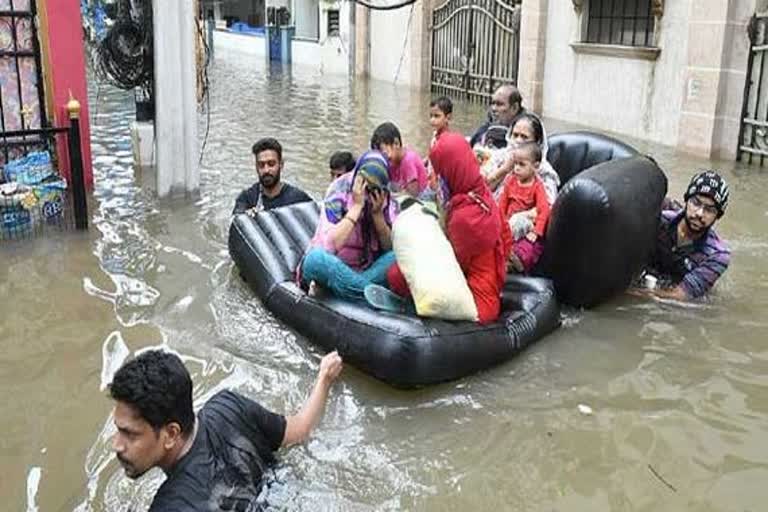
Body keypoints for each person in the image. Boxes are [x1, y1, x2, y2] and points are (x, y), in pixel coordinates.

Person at [109, 349, 343, 511]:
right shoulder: (229, 407)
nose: (116, 445)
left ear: (171, 434)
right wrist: (324, 378)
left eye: (129, 434)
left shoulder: (170, 506)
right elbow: (301, 430)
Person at [387, 133, 511, 324]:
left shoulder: (463, 216)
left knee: (396, 275)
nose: (434, 178)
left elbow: (450, 264)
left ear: (451, 171)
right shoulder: (480, 192)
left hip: (477, 305)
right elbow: (505, 237)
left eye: (439, 172)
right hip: (488, 286)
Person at [299, 151, 398, 300]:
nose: (367, 191)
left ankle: (354, 291)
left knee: (397, 257)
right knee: (316, 258)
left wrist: (377, 216)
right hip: (332, 266)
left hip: (365, 271)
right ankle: (368, 295)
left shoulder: (385, 200)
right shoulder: (339, 190)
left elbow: (388, 249)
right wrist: (357, 207)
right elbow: (330, 244)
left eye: (373, 188)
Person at [634, 170, 731, 300]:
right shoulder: (659, 218)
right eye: (696, 203)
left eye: (709, 209)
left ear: (718, 216)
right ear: (687, 200)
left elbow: (680, 296)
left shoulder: (717, 255)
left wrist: (631, 292)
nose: (699, 213)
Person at [498, 142, 552, 273]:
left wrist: (536, 231)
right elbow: (502, 204)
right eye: (515, 164)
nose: (516, 168)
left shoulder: (537, 186)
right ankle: (503, 252)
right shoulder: (510, 181)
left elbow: (543, 210)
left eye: (521, 165)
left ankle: (511, 257)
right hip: (509, 224)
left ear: (536, 166)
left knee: (519, 228)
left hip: (525, 225)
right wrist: (500, 221)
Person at [485, 113, 561, 201]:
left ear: (537, 142)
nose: (518, 141)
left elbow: (548, 205)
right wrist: (504, 169)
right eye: (515, 135)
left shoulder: (543, 170)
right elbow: (481, 189)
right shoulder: (500, 157)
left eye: (524, 137)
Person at [233, 138, 312, 215]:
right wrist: (248, 219)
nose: (266, 170)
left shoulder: (298, 199)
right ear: (256, 167)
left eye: (271, 164)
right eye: (261, 165)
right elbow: (236, 221)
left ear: (281, 164)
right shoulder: (246, 199)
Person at [370, 122, 428, 197]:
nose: (383, 159)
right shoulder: (390, 162)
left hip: (421, 198)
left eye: (384, 154)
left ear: (396, 144)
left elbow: (413, 195)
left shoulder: (408, 161)